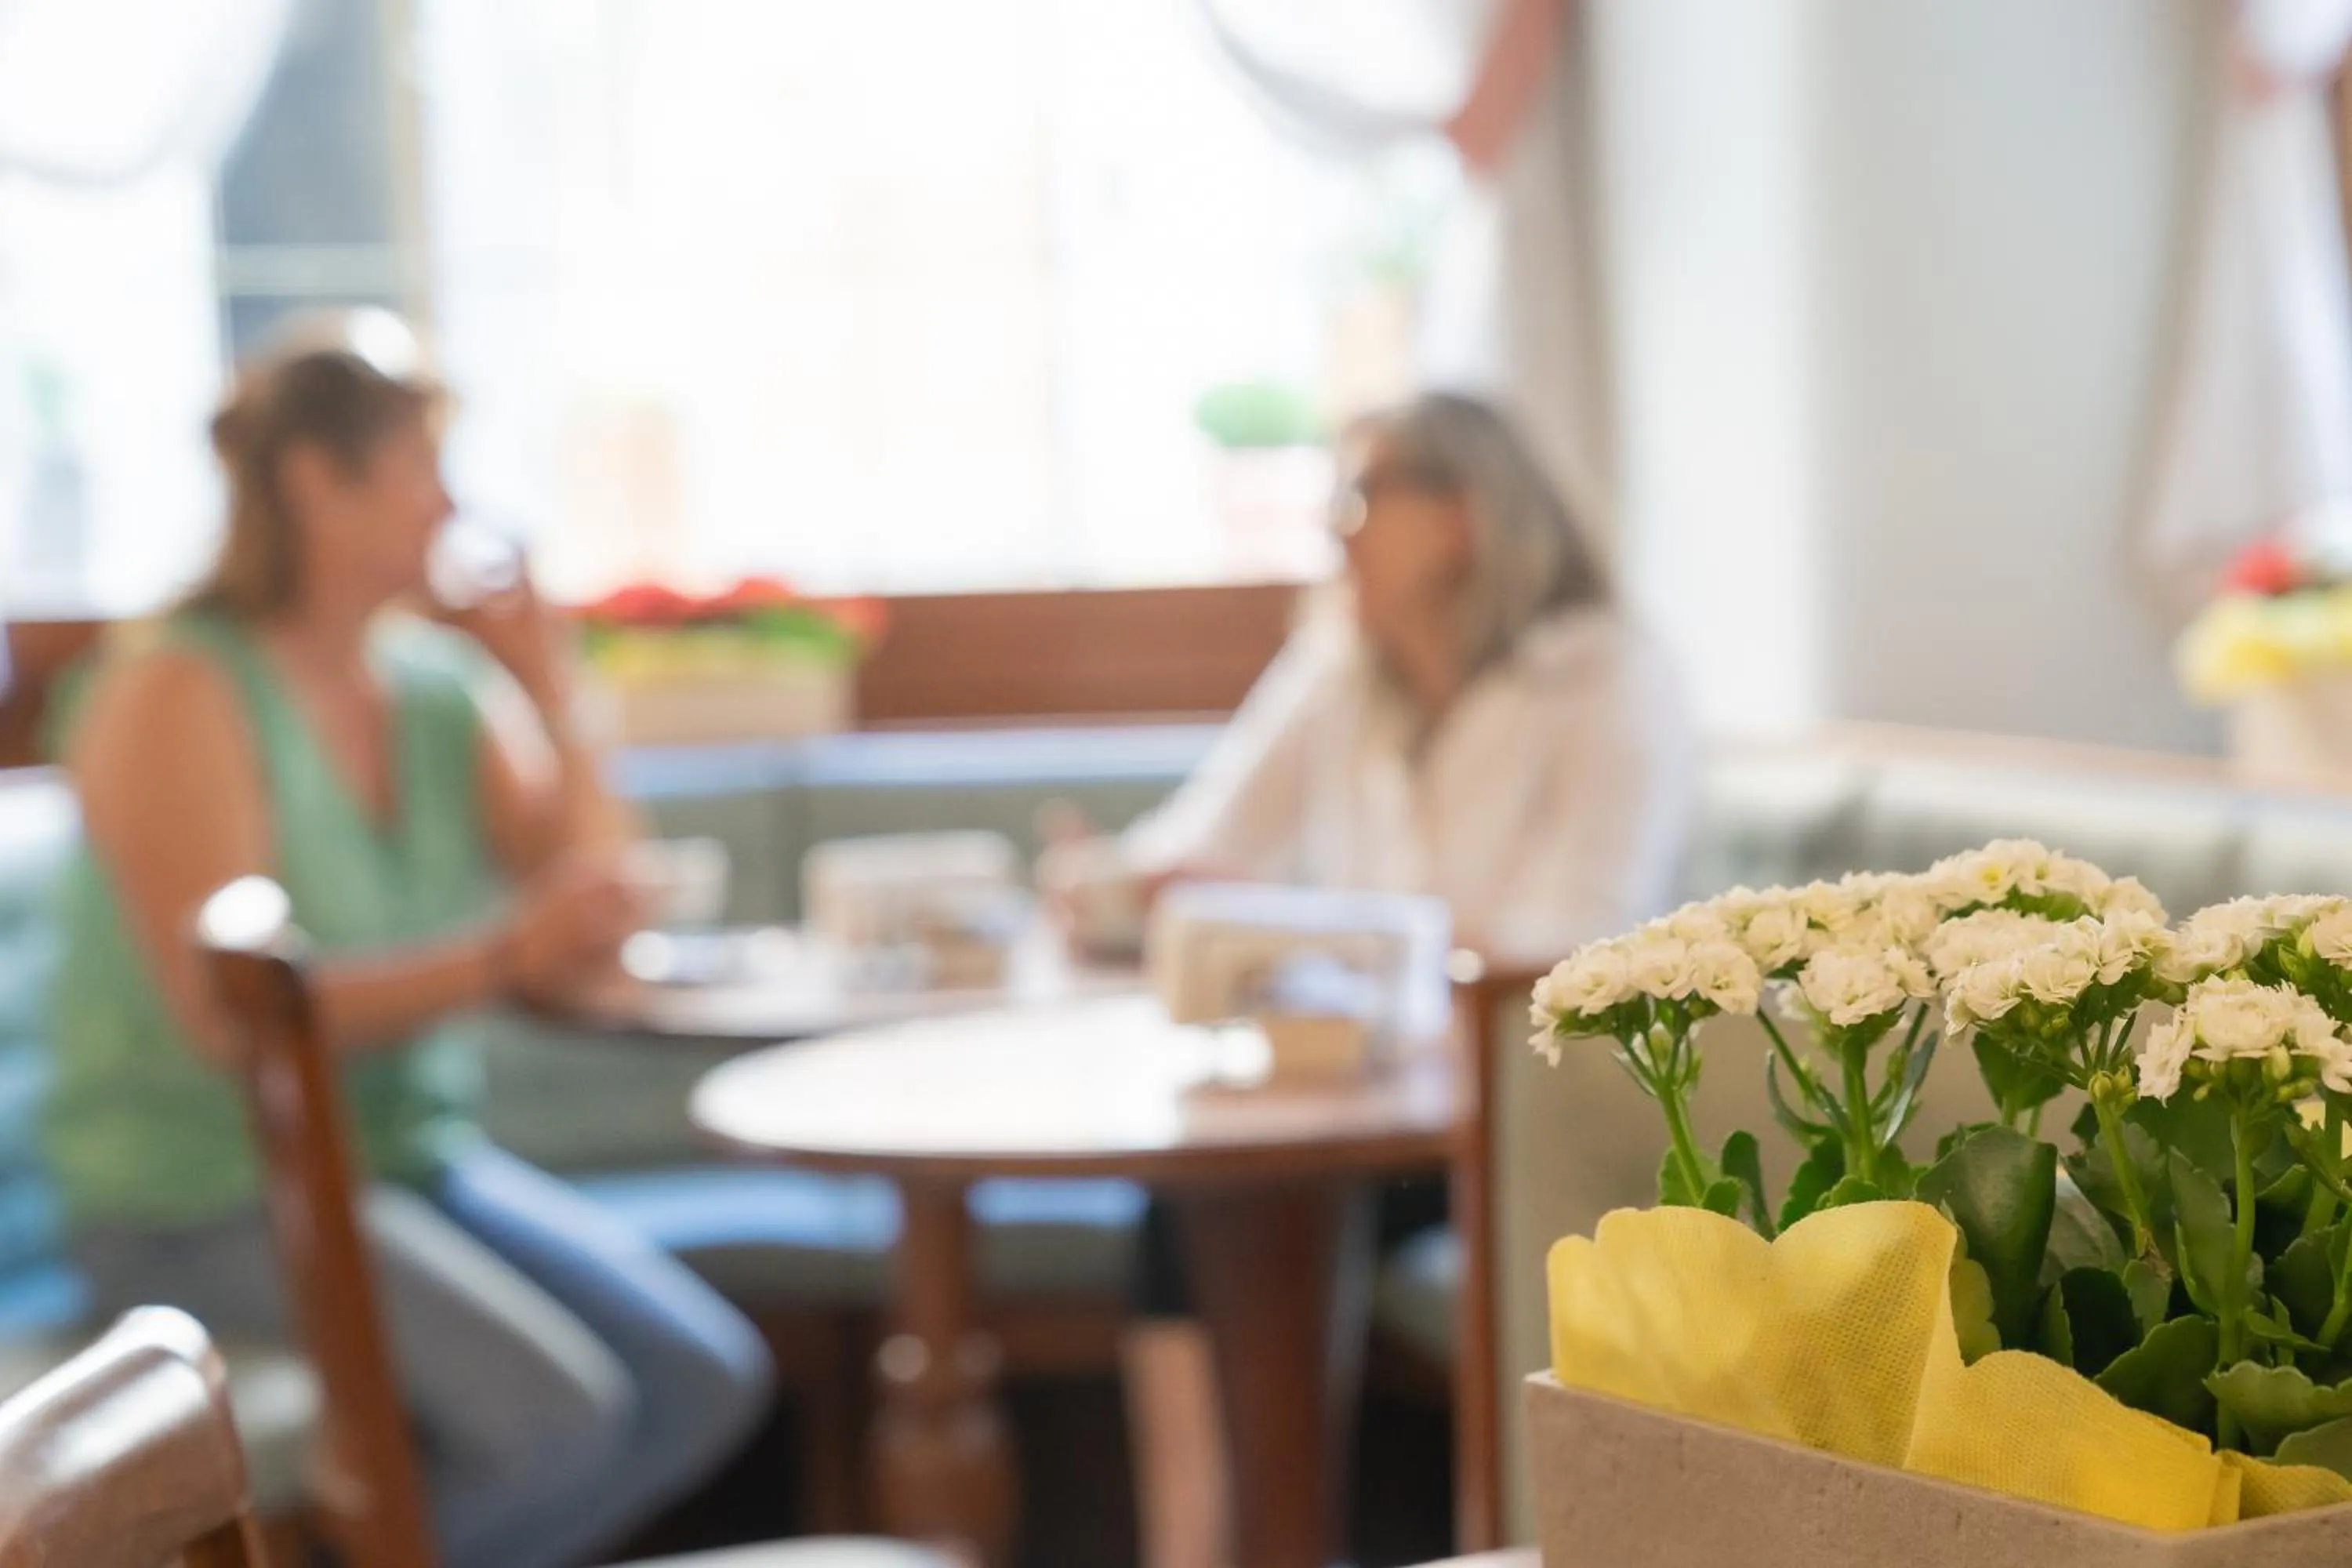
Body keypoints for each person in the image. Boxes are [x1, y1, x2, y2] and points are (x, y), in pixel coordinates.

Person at [43, 315, 773, 1568]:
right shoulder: (175, 691)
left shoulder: (437, 686)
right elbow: (234, 1019)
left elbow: (593, 891)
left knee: (705, 1380)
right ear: (316, 484)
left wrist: (550, 678)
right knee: (561, 1423)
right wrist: (499, 958)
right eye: (421, 470)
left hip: (401, 1159)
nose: (454, 506)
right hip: (207, 1193)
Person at [1104, 390, 1693, 1568]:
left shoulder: (1605, 678)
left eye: (1363, 497)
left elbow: (1573, 944)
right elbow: (1193, 846)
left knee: (1259, 1191)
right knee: (1187, 1197)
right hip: (1369, 1091)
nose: (1337, 531)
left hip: (1524, 1109)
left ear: (1462, 518)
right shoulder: (1338, 667)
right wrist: (1129, 887)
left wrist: (1326, 948)